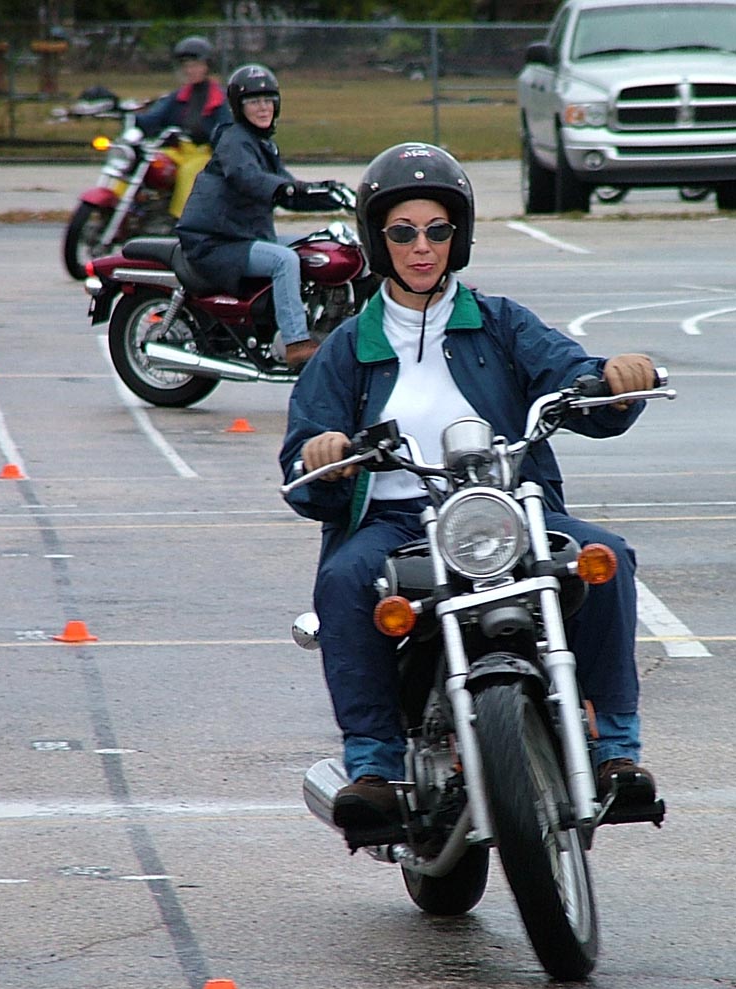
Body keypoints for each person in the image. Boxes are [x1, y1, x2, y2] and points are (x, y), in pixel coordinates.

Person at [279, 141, 659, 830]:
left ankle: (615, 752)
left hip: (505, 509)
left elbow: (571, 374)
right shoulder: (349, 347)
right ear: (379, 240)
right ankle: (375, 766)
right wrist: (323, 453)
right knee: (343, 579)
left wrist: (614, 379)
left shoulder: (500, 322)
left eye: (437, 230)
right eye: (403, 233)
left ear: (460, 236)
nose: (421, 247)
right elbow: (302, 469)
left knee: (605, 559)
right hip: (397, 524)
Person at [176, 63, 343, 370]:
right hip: (216, 242)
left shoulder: (262, 144)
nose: (263, 107)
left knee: (318, 247)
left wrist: (333, 196)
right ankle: (296, 343)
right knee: (285, 260)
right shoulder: (234, 140)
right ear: (239, 107)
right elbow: (246, 177)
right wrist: (286, 189)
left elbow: (287, 191)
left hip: (243, 237)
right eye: (254, 101)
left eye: (269, 100)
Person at [135, 36, 232, 218]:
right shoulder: (178, 96)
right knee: (146, 162)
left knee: (188, 173)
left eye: (196, 65)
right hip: (179, 151)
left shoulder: (219, 99)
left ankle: (183, 220)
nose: (190, 70)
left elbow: (226, 129)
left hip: (205, 154)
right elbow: (154, 118)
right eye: (186, 66)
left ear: (207, 66)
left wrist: (214, 138)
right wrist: (130, 117)